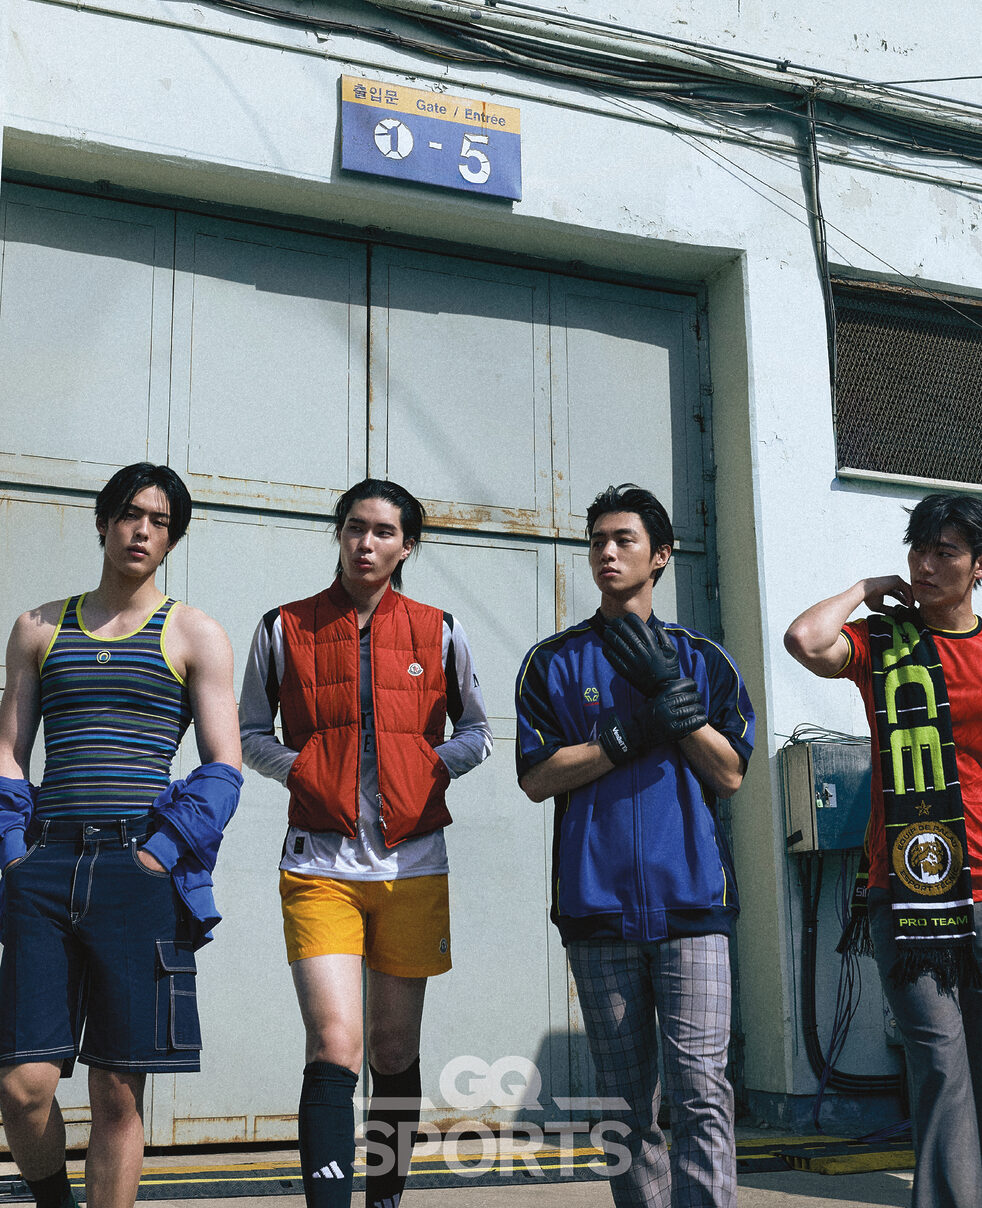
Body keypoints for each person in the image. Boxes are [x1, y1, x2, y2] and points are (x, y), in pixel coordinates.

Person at [239, 478, 492, 1208]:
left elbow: (478, 731)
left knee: (393, 1048)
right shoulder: (283, 627)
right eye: (355, 527)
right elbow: (250, 733)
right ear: (339, 533)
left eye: (384, 531)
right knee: (335, 1045)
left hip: (413, 865)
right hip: (319, 866)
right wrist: (304, 769)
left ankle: (384, 1197)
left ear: (407, 546)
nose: (366, 543)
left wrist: (429, 767)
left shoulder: (439, 630)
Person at [0, 462, 242, 1208]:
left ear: (173, 538)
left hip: (137, 873)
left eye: (160, 521)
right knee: (22, 1086)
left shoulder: (195, 632)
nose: (143, 530)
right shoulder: (39, 626)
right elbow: (9, 752)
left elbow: (224, 768)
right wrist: (12, 853)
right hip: (45, 865)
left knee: (116, 1090)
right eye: (131, 514)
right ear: (102, 522)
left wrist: (158, 855)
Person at [515, 483, 754, 1208]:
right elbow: (536, 778)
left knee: (702, 1091)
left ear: (661, 556)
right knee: (625, 1107)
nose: (607, 553)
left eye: (624, 540)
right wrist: (625, 737)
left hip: (693, 904)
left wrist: (673, 702)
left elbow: (730, 774)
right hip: (597, 908)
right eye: (598, 541)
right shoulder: (553, 661)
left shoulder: (702, 659)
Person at [785, 492, 982, 1208]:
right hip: (908, 889)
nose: (925, 566)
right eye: (917, 551)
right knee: (940, 1062)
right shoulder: (886, 642)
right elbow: (806, 639)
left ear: (979, 567)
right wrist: (867, 588)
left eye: (945, 553)